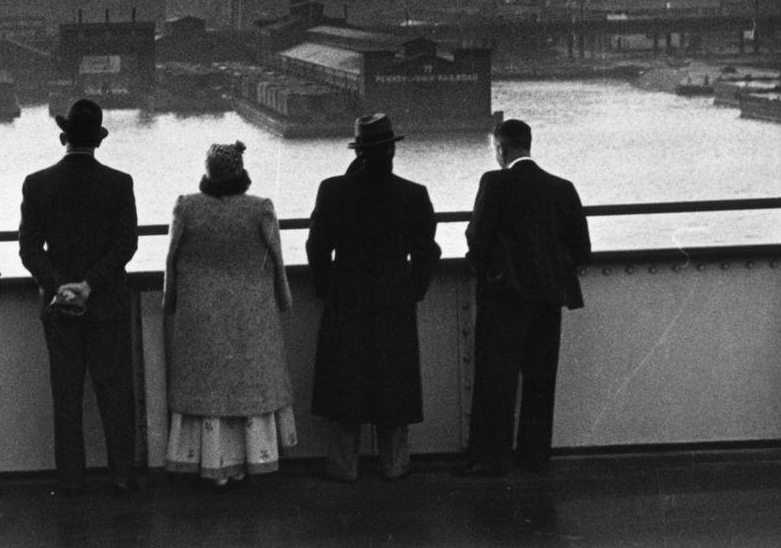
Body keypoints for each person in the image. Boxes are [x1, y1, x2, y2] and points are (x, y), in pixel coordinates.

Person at [452, 118, 591, 477]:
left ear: (501, 148)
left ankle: (490, 458)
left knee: (495, 380)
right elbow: (581, 247)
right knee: (540, 379)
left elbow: (476, 236)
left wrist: (484, 270)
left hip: (505, 297)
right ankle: (533, 456)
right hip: (548, 296)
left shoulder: (495, 183)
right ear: (528, 144)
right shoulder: (562, 188)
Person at [306, 113, 440, 482]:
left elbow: (317, 246)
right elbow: (428, 251)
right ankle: (394, 464)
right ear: (392, 151)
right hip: (393, 296)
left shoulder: (332, 190)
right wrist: (411, 291)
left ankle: (344, 465)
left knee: (344, 383)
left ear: (359, 152)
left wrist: (325, 289)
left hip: (346, 295)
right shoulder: (414, 193)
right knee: (394, 383)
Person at [18, 98, 139, 496]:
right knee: (116, 395)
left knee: (67, 398)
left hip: (59, 312)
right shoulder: (120, 183)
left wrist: (61, 287)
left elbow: (29, 250)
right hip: (108, 307)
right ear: (99, 141)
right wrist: (91, 284)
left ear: (62, 137)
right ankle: (121, 475)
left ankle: (71, 480)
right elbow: (126, 245)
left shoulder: (37, 184)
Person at [163, 141, 296, 486]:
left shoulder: (187, 207)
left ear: (207, 172)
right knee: (251, 385)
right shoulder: (260, 209)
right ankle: (255, 459)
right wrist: (283, 299)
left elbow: (171, 260)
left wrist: (170, 302)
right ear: (241, 172)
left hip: (199, 315)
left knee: (206, 386)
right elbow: (277, 259)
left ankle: (210, 463)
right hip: (252, 313)